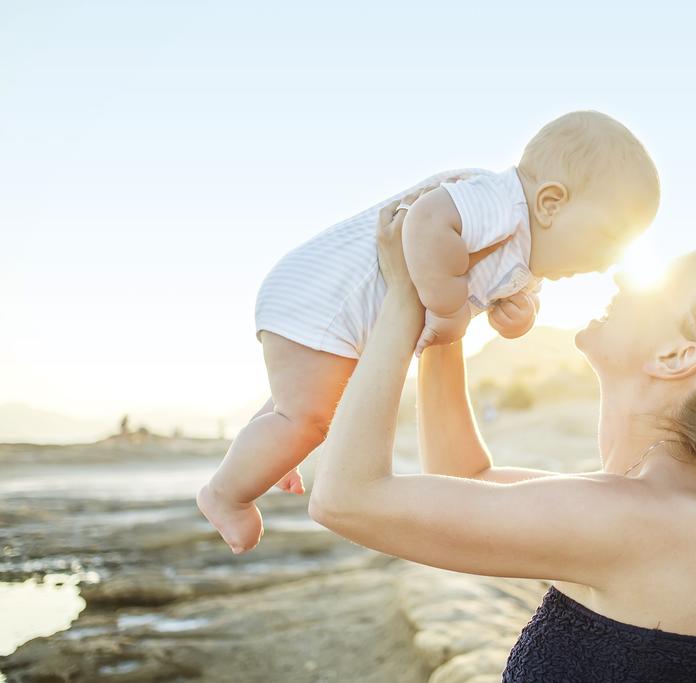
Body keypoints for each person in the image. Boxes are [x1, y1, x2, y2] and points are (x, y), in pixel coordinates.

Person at [307, 199, 696, 682]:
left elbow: (345, 499)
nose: (623, 279)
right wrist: (449, 318)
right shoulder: (670, 506)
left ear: (675, 357)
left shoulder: (660, 520)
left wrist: (404, 295)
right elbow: (463, 478)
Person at [197, 111, 660, 553]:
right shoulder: (498, 202)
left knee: (316, 405)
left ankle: (275, 445)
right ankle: (226, 494)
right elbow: (425, 221)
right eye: (608, 237)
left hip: (348, 324)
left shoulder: (529, 251)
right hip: (326, 299)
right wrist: (448, 306)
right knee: (310, 417)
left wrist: (517, 314)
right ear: (550, 202)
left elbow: (506, 294)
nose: (611, 260)